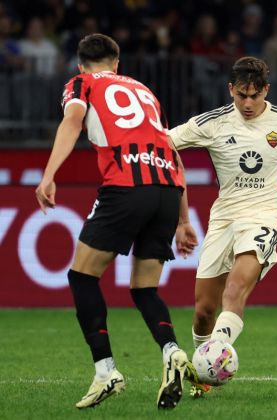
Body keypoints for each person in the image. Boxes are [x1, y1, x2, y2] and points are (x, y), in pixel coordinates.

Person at [34, 33, 197, 410]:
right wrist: (184, 219)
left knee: (82, 276)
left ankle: (106, 371)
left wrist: (48, 175)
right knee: (144, 289)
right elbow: (172, 151)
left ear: (80, 65)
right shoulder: (146, 92)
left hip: (125, 185)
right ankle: (171, 350)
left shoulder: (81, 84)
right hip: (167, 190)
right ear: (117, 63)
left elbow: (72, 122)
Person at [168, 56, 277, 396]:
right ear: (230, 90)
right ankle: (205, 370)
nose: (248, 104)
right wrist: (182, 217)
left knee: (234, 290)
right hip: (223, 218)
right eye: (241, 96)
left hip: (265, 214)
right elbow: (163, 145)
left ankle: (212, 363)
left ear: (266, 90)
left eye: (255, 95)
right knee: (204, 310)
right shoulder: (213, 123)